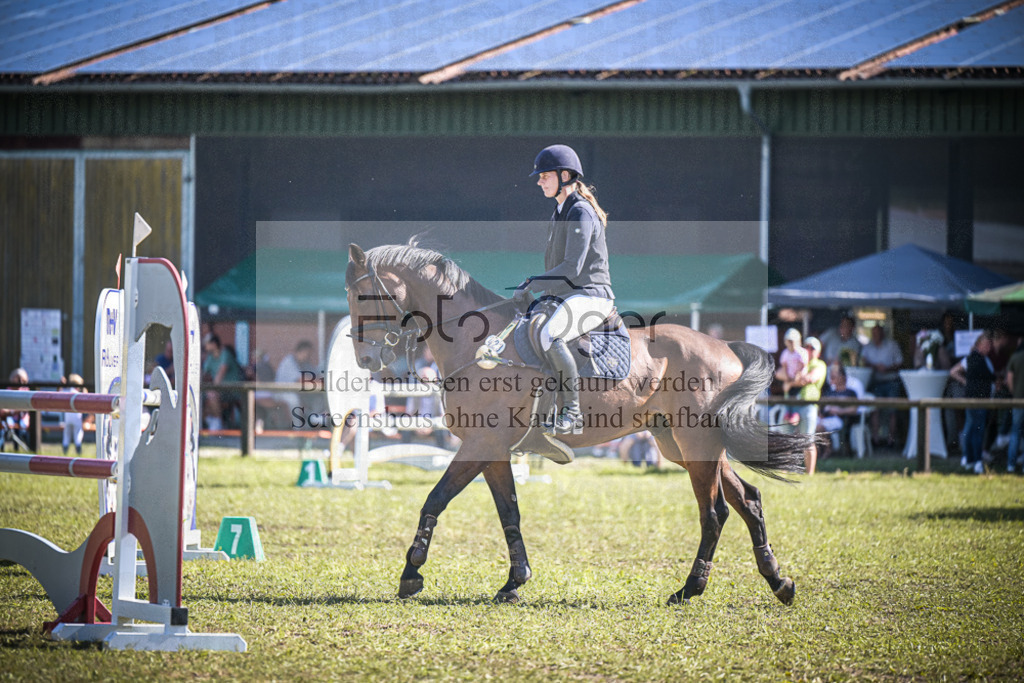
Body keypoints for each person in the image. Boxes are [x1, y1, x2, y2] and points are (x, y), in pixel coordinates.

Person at [512, 144, 614, 436]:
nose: (539, 181)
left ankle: (573, 412)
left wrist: (533, 282)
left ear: (565, 175)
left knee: (551, 334)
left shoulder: (580, 211)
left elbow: (572, 267)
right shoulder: (561, 211)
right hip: (571, 295)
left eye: (545, 175)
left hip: (592, 294)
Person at [861, 325, 904, 448]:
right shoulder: (868, 346)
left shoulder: (892, 345)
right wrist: (875, 366)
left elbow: (900, 363)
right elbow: (863, 361)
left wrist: (887, 368)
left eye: (879, 333)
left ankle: (891, 440)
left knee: (892, 411)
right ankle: (876, 439)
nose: (876, 336)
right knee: (875, 409)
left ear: (883, 334)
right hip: (876, 381)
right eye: (874, 333)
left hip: (891, 380)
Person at [960, 330, 996, 474]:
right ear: (979, 345)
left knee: (971, 429)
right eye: (986, 345)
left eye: (990, 345)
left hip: (975, 399)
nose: (989, 348)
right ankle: (976, 461)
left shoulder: (977, 358)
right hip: (978, 400)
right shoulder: (976, 358)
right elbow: (990, 377)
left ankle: (969, 459)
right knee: (977, 431)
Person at [789, 337, 827, 474]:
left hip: (809, 405)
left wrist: (791, 381)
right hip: (792, 405)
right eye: (806, 347)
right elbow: (781, 374)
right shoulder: (796, 361)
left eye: (812, 348)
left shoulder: (820, 365)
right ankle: (784, 471)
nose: (809, 350)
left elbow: (809, 378)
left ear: (818, 352)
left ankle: (810, 474)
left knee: (808, 440)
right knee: (785, 437)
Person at [201, 333, 244, 431]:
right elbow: (204, 373)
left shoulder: (225, 353)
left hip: (233, 390)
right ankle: (216, 424)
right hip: (221, 391)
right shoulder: (210, 357)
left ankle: (219, 425)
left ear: (214, 344)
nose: (205, 346)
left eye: (207, 343)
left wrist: (213, 388)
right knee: (203, 397)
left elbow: (222, 371)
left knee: (211, 394)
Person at [818, 363, 860, 458]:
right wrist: (820, 414)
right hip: (825, 418)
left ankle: (827, 450)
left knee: (819, 427)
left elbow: (854, 409)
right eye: (831, 375)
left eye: (834, 375)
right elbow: (821, 408)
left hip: (841, 419)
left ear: (842, 377)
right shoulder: (829, 392)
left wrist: (839, 411)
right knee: (813, 425)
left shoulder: (850, 392)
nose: (831, 376)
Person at [276, 340, 320, 419]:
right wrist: (320, 381)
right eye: (307, 353)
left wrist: (320, 380)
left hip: (296, 391)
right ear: (301, 351)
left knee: (317, 398)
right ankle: (297, 429)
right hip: (281, 392)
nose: (309, 355)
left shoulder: (305, 363)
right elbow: (300, 380)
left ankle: (313, 423)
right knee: (294, 400)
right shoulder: (289, 361)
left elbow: (316, 375)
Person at [1, 368, 31, 451]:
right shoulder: (7, 391)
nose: (20, 381)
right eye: (17, 378)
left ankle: (25, 448)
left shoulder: (26, 391)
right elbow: (3, 411)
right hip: (10, 418)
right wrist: (13, 412)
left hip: (22, 418)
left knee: (21, 426)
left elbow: (25, 408)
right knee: (5, 426)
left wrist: (12, 411)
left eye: (22, 379)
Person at [1006, 338, 1024, 473]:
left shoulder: (1015, 357)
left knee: (1015, 432)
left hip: (1017, 400)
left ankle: (1010, 465)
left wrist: (1014, 393)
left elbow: (1009, 380)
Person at [775, 328, 808, 400]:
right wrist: (787, 380)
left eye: (792, 341)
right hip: (789, 378)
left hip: (799, 380)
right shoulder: (785, 353)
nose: (791, 343)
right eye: (789, 341)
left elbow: (802, 367)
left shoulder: (802, 352)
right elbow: (784, 367)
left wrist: (795, 379)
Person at [61, 374, 86, 455]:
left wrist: (62, 384)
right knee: (78, 433)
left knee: (66, 433)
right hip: (77, 417)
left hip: (67, 416)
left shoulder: (66, 392)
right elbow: (85, 397)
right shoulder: (78, 393)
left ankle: (65, 447)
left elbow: (60, 392)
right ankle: (78, 447)